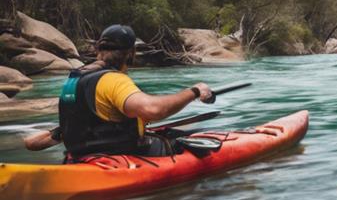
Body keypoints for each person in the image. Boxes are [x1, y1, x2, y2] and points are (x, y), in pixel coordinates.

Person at [23, 24, 214, 158]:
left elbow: (89, 117)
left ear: (98, 49)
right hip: (119, 157)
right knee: (192, 139)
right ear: (131, 53)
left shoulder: (75, 79)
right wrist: (195, 91)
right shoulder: (114, 81)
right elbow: (154, 110)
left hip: (81, 155)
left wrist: (62, 133)